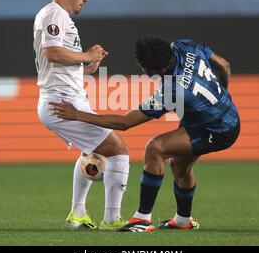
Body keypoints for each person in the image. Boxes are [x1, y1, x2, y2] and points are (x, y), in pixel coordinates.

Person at [51, 37, 240, 232]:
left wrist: (77, 115)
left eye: (142, 67)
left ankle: (142, 219)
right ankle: (183, 221)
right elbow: (224, 65)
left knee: (155, 148)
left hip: (217, 130)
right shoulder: (186, 46)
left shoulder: (171, 89)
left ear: (152, 71)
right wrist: (221, 98)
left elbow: (125, 123)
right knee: (178, 165)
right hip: (222, 115)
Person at [33, 0, 130, 231]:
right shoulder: (54, 15)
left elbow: (59, 62)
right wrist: (86, 55)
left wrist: (88, 66)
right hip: (62, 102)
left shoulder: (61, 18)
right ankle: (112, 221)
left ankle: (77, 213)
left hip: (67, 97)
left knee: (94, 155)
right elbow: (52, 53)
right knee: (118, 150)